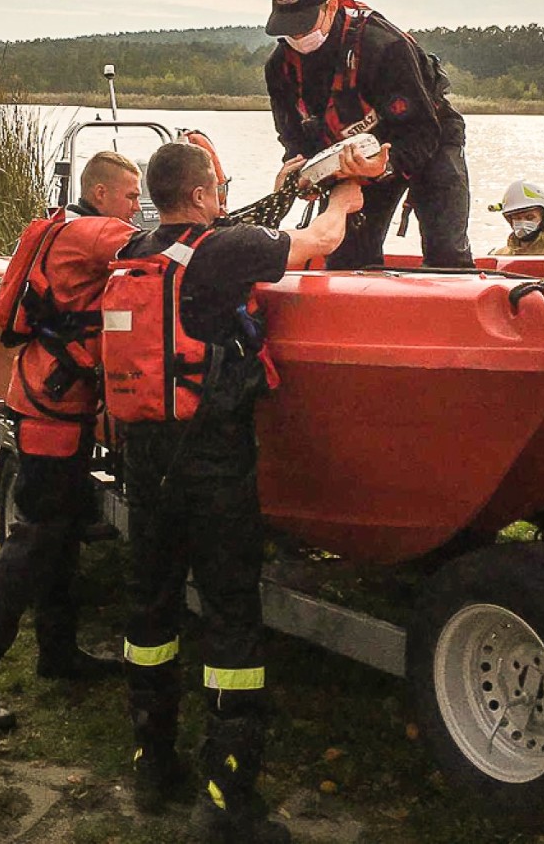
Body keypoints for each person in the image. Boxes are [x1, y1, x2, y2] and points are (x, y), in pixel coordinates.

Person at [104, 141, 363, 841]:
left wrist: (282, 189)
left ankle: (152, 763)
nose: (222, 196)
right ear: (195, 196)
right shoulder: (223, 253)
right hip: (212, 460)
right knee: (230, 620)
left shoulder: (139, 246)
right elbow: (319, 242)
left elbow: (240, 226)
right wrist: (343, 195)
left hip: (144, 459)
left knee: (151, 607)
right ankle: (228, 798)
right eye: (215, 187)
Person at [0, 151, 142, 730]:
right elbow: (160, 251)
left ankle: (58, 652)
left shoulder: (67, 226)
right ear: (100, 195)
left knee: (65, 527)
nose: (135, 206)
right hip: (52, 405)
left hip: (48, 396)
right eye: (130, 195)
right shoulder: (95, 231)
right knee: (34, 538)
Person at [263, 0, 473, 269]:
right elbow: (294, 139)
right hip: (351, 159)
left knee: (446, 251)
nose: (298, 36)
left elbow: (422, 132)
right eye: (288, 28)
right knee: (346, 257)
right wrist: (304, 176)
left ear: (330, 7)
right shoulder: (279, 68)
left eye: (305, 25)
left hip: (427, 138)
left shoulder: (384, 47)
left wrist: (384, 166)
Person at [489, 179, 544, 257]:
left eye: (529, 217)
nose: (523, 222)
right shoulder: (500, 255)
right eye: (517, 218)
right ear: (510, 220)